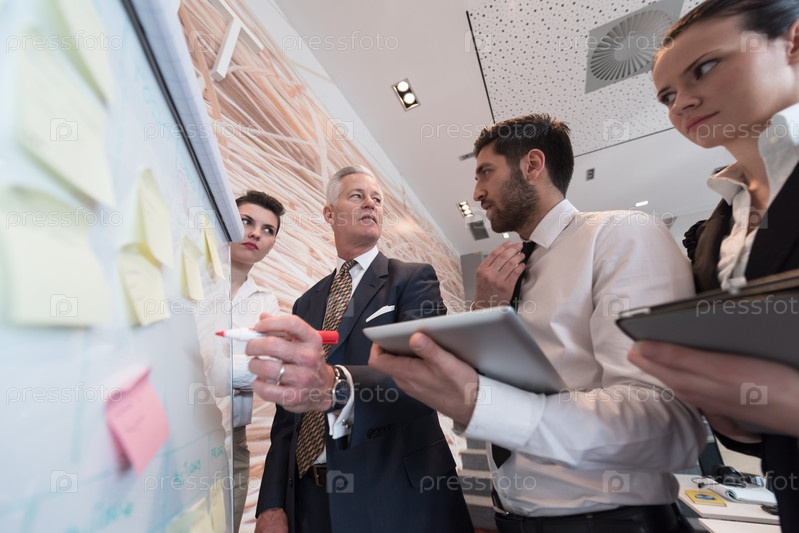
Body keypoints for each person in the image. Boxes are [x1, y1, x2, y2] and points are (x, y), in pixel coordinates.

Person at [370, 115, 705, 532]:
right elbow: (505, 400)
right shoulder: (505, 276)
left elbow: (665, 425)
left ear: (532, 165)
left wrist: (478, 403)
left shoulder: (622, 235)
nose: (476, 193)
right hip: (511, 517)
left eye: (485, 173)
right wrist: (483, 316)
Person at [626, 1, 799, 531]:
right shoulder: (715, 232)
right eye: (667, 97)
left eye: (703, 68)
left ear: (793, 44)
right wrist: (733, 417)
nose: (682, 103)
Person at [247, 166, 472, 533]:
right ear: (329, 213)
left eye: (377, 199)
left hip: (395, 498)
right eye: (357, 196)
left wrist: (335, 384)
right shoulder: (306, 303)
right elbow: (288, 409)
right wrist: (272, 503)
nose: (371, 203)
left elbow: (426, 381)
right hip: (310, 501)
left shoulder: (412, 280)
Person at [208, 190, 285, 532]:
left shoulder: (267, 303)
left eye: (268, 230)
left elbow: (266, 372)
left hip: (232, 439)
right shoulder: (191, 279)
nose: (256, 233)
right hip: (176, 425)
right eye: (246, 221)